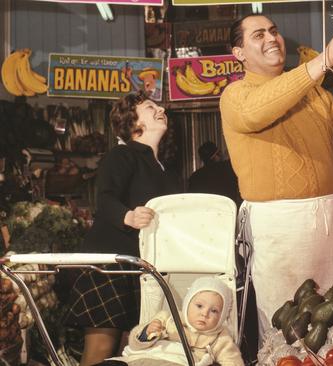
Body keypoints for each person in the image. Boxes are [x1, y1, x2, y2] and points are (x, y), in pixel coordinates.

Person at [219, 14, 333, 337]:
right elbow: (259, 110)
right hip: (277, 229)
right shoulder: (235, 97)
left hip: (326, 222)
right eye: (258, 35)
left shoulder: (316, 95)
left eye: (274, 31)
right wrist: (324, 60)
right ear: (238, 53)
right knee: (285, 329)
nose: (271, 38)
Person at [65, 90, 179, 366]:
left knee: (128, 350)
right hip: (108, 266)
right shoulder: (123, 154)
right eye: (150, 106)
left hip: (138, 267)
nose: (159, 109)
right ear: (132, 122)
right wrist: (128, 216)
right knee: (102, 346)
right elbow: (104, 199)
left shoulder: (160, 166)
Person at [105, 276, 244, 366]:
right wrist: (146, 332)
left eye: (214, 311)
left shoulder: (220, 337)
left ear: (222, 316)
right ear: (187, 304)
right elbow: (135, 344)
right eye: (199, 306)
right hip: (141, 357)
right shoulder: (168, 318)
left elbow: (232, 360)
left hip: (175, 362)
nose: (204, 314)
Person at [188, 141, 242, 207]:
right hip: (229, 212)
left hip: (206, 213)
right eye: (220, 152)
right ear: (216, 155)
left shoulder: (194, 177)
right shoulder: (228, 168)